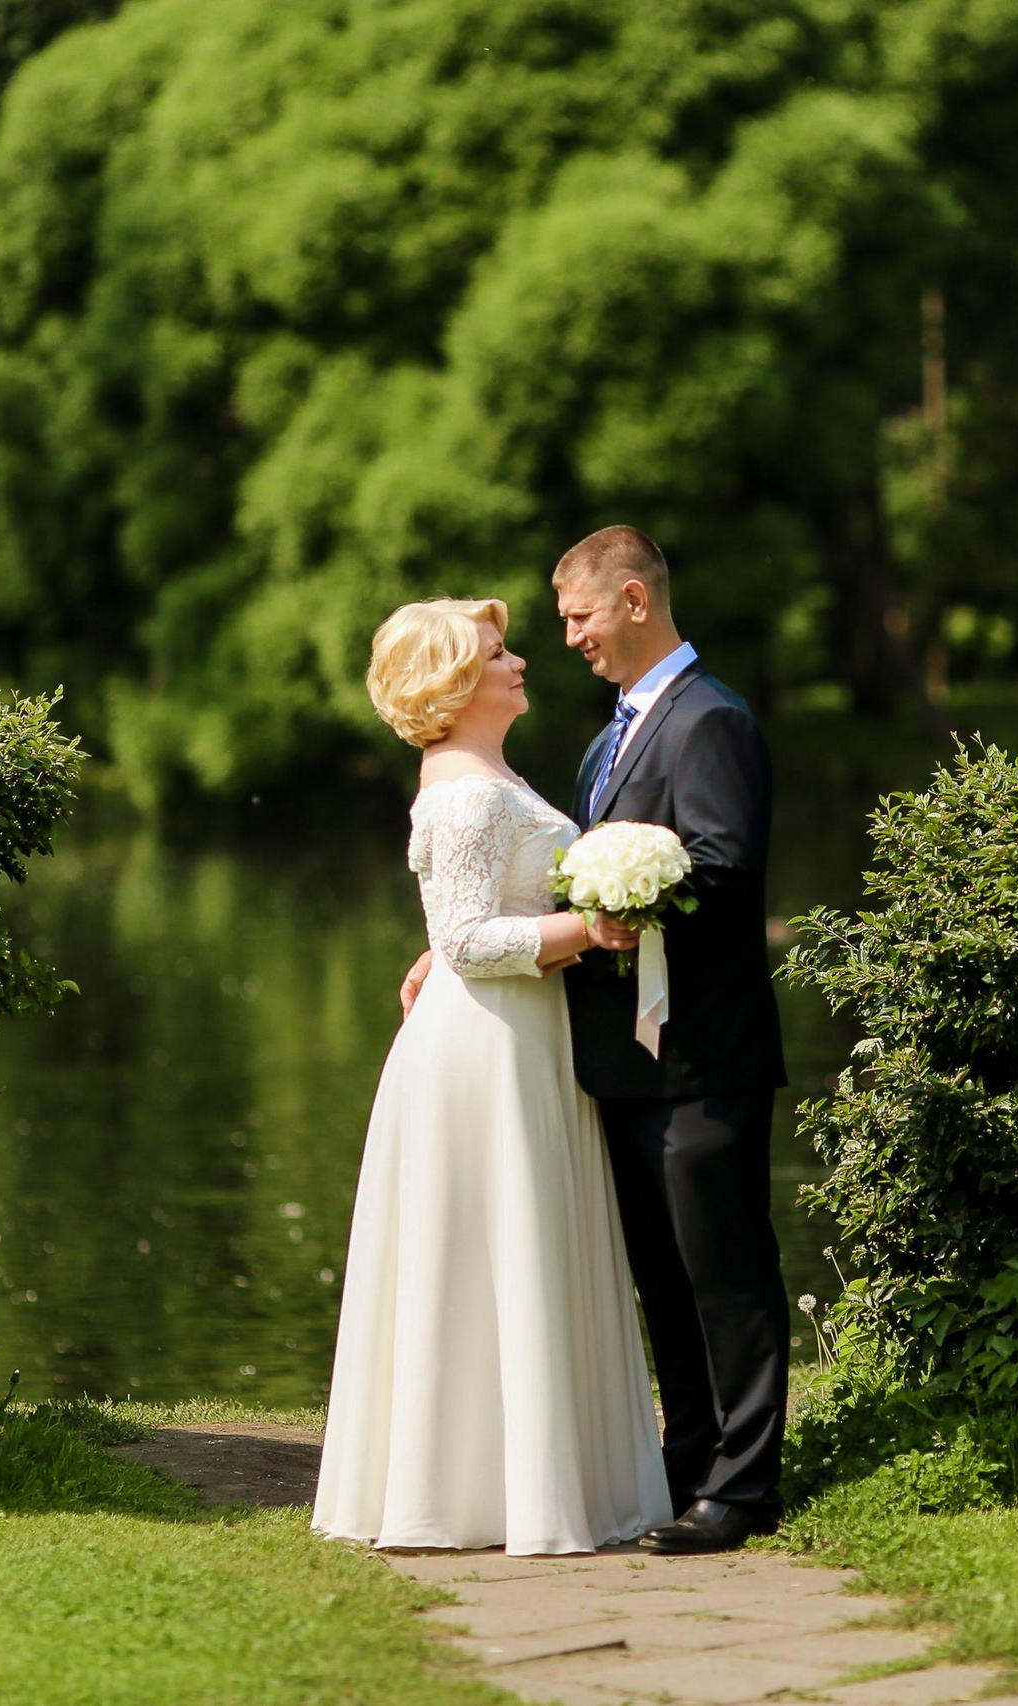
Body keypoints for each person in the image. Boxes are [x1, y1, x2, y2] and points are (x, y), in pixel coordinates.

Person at [400, 527, 790, 1553]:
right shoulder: (602, 739)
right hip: (617, 1055)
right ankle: (689, 1461)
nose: (563, 636)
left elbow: (724, 866)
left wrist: (621, 901)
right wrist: (457, 949)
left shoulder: (710, 720)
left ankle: (746, 1484)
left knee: (724, 1266)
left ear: (628, 597)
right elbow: (528, 886)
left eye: (574, 614)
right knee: (661, 1272)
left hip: (704, 1047)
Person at [312, 596, 670, 1555]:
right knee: (488, 1248)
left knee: (514, 1248)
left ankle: (519, 1481)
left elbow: (457, 928)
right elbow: (469, 938)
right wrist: (590, 929)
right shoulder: (469, 790)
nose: (520, 663)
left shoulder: (481, 775)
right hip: (486, 1049)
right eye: (498, 652)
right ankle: (478, 1492)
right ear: (455, 684)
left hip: (518, 1035)